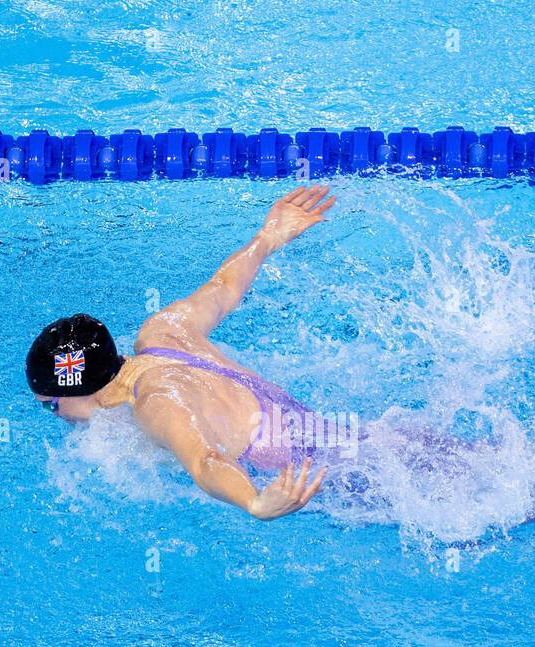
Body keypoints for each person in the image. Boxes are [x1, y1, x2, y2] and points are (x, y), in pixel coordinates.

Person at [26, 185, 338, 520]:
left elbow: (205, 462)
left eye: (52, 407)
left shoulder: (156, 401)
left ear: (81, 390)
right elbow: (224, 288)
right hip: (342, 438)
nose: (58, 417)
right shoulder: (163, 331)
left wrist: (254, 502)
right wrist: (268, 236)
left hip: (337, 481)